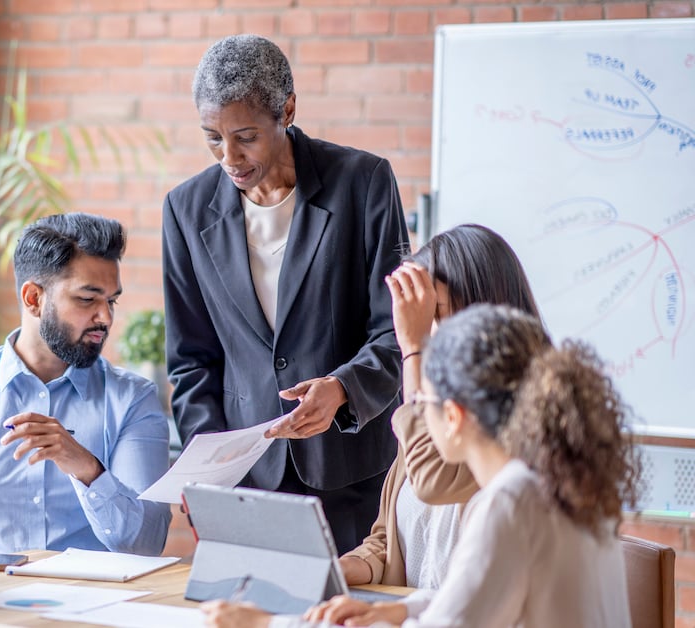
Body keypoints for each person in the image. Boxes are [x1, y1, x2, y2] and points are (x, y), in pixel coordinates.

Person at [206, 305, 637, 627]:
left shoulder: (513, 500)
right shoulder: (554, 482)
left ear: (453, 417)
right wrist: (398, 609)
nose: (411, 416)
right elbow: (473, 598)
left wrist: (266, 623)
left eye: (422, 403)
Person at [163, 34, 407, 550]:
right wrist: (207, 465)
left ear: (288, 110)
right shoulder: (185, 210)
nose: (229, 157)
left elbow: (397, 331)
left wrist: (342, 388)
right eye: (212, 138)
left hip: (349, 473)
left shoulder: (363, 183)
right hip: (245, 480)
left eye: (245, 136)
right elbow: (190, 359)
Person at [0, 213, 172, 556]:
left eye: (111, 301)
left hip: (92, 607)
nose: (105, 318)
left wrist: (86, 468)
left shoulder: (133, 400)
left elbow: (146, 545)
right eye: (87, 299)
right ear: (33, 299)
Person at [340, 224, 541, 588]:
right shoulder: (439, 397)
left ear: (482, 309)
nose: (428, 329)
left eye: (436, 312)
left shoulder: (527, 410)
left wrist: (413, 348)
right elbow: (389, 535)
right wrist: (351, 567)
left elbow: (432, 483)